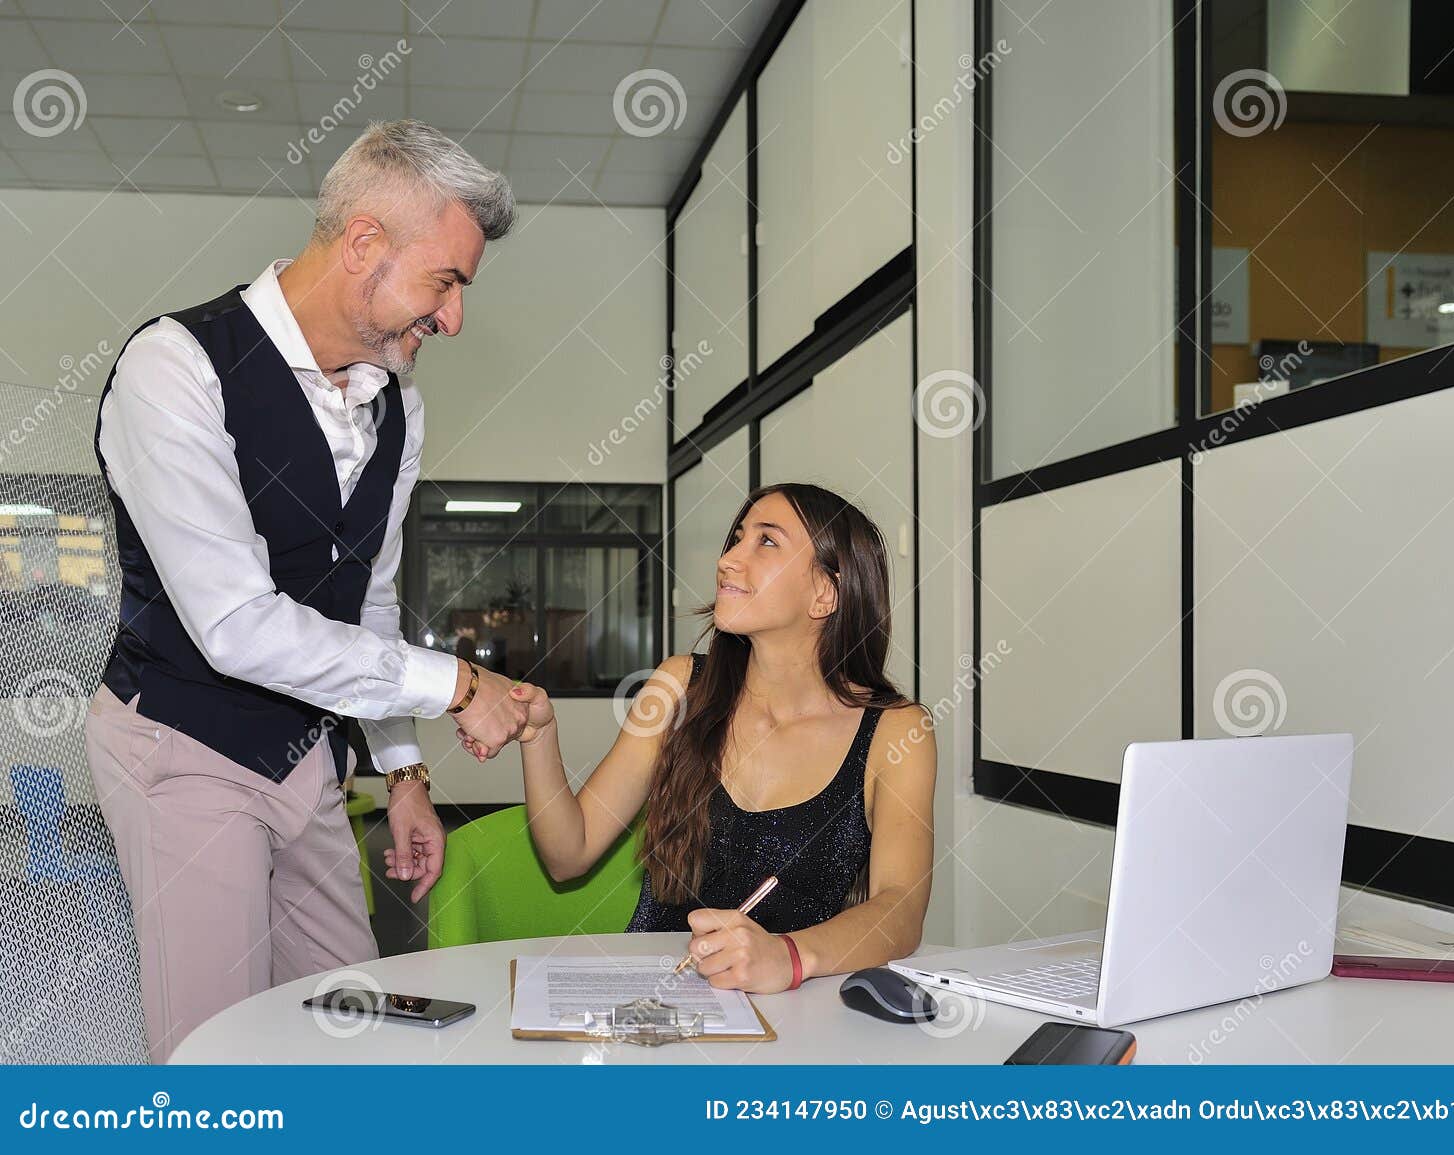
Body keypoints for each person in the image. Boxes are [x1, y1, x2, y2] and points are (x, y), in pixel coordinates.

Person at [85, 120, 536, 1061]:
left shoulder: (399, 406)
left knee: (350, 1023)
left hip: (308, 755)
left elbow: (362, 602)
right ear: (364, 243)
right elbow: (238, 625)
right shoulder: (176, 366)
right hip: (183, 736)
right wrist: (458, 684)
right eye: (446, 281)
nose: (454, 317)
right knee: (215, 1049)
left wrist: (403, 769)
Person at [441, 483, 937, 993]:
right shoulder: (679, 688)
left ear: (825, 593)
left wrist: (786, 956)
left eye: (765, 542)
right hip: (660, 1001)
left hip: (806, 1009)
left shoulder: (898, 731)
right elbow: (570, 854)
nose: (728, 560)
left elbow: (900, 907)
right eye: (736, 538)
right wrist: (538, 739)